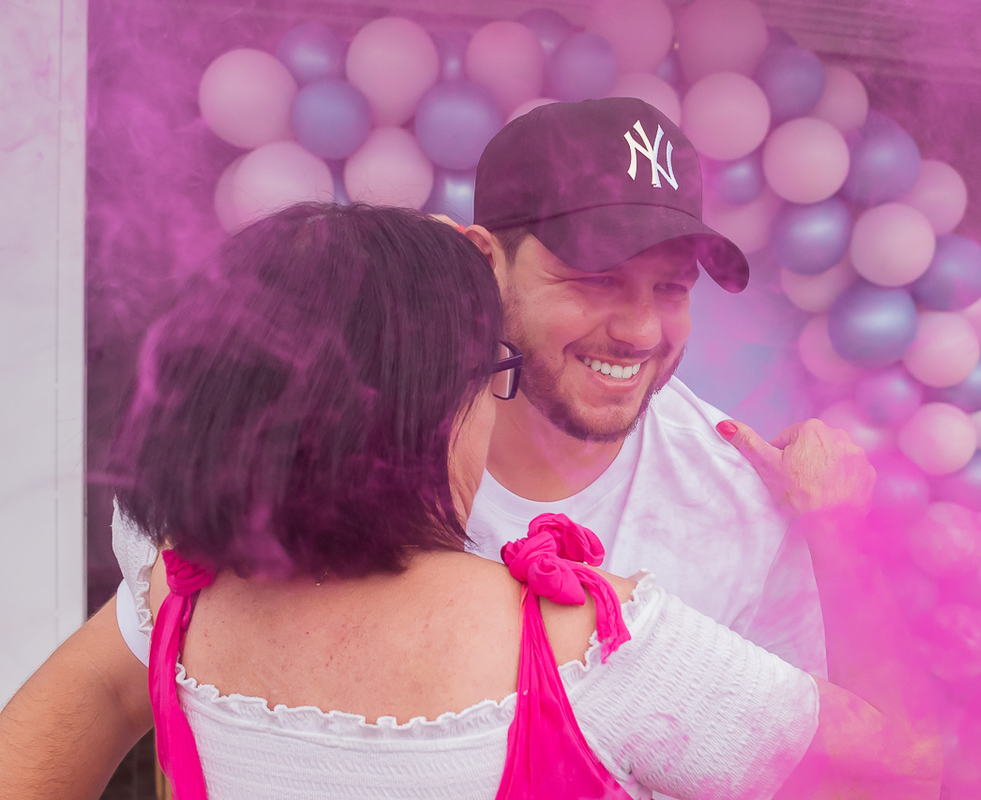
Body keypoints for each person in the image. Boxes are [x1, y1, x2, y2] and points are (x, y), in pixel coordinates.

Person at [0, 99, 905, 794]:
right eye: (592, 277)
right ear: (481, 257)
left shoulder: (744, 500)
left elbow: (841, 772)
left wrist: (844, 540)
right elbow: (107, 690)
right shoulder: (245, 503)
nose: (639, 330)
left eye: (672, 287)